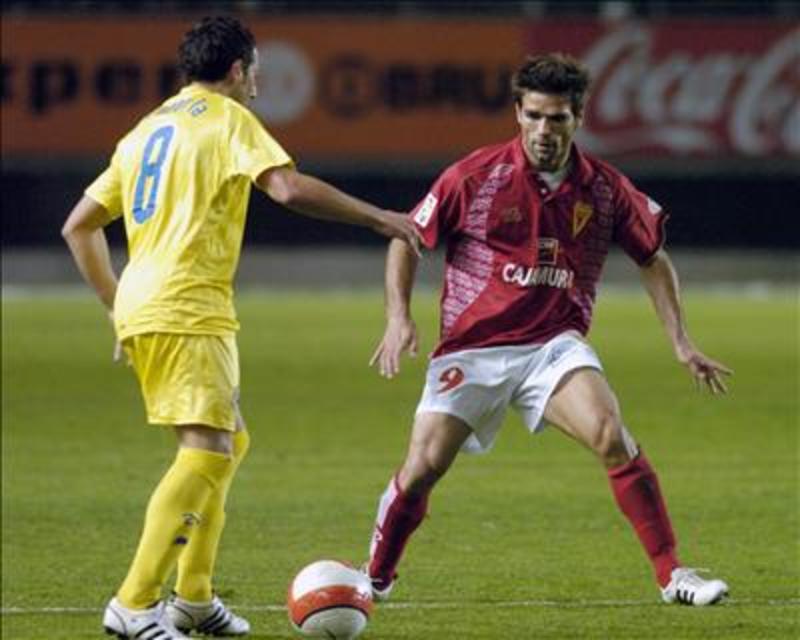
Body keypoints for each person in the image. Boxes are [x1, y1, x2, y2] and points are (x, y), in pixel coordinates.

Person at [62, 16, 419, 640]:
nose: (256, 82)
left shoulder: (146, 130)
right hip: (187, 305)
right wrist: (378, 218)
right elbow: (287, 188)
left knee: (231, 442)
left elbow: (79, 226)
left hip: (156, 302)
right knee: (206, 450)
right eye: (255, 71)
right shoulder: (228, 119)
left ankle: (194, 598)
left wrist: (118, 306)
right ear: (237, 69)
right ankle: (133, 604)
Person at [364, 53, 732, 608]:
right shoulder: (474, 176)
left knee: (610, 434)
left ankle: (673, 575)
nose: (543, 130)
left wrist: (680, 341)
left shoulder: (604, 188)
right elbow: (406, 237)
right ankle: (374, 577)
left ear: (578, 118)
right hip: (473, 347)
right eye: (533, 115)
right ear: (517, 112)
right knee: (422, 469)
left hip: (552, 347)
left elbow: (653, 258)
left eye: (557, 118)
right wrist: (398, 317)